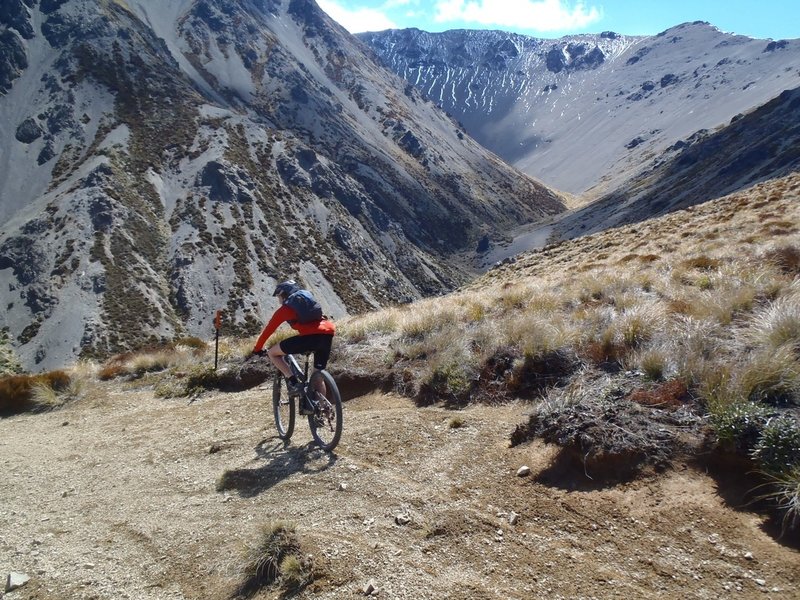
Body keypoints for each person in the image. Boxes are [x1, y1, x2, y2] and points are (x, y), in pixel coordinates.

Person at [252, 280, 335, 412]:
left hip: (309, 338)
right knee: (318, 376)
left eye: (278, 297)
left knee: (273, 353)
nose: (278, 300)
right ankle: (322, 411)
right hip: (327, 335)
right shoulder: (309, 302)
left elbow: (269, 330)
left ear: (283, 294)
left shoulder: (286, 309)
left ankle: (293, 382)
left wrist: (257, 348)